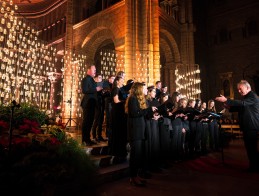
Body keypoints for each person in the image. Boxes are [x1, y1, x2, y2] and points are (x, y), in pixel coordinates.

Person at [215, 80, 259, 172]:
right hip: (248, 126)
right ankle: (253, 166)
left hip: (251, 126)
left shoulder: (252, 96)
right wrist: (229, 107)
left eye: (240, 89)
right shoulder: (247, 97)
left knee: (252, 148)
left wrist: (227, 100)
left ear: (248, 88)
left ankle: (254, 167)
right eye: (238, 89)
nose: (239, 91)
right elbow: (241, 108)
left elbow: (242, 104)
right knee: (250, 148)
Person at [125, 82, 157, 186]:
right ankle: (132, 177)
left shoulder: (138, 99)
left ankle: (136, 175)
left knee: (138, 155)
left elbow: (141, 113)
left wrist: (151, 111)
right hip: (135, 131)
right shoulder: (132, 99)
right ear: (138, 89)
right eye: (143, 89)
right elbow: (135, 113)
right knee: (135, 155)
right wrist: (148, 109)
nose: (145, 90)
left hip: (140, 130)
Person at [80, 65, 103, 146]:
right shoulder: (85, 79)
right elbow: (84, 90)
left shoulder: (92, 80)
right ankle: (84, 140)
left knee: (90, 122)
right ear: (88, 70)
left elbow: (93, 92)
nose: (95, 71)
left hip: (92, 103)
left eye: (95, 70)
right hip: (87, 103)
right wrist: (96, 89)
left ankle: (88, 139)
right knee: (86, 122)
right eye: (94, 70)